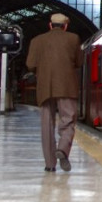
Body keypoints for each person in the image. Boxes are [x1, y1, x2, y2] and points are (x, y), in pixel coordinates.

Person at [26, 13, 83, 172]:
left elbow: (30, 64)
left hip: (44, 87)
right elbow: (79, 62)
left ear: (50, 25)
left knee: (46, 124)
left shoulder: (37, 41)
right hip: (66, 86)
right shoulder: (73, 38)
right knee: (68, 119)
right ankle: (63, 148)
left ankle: (50, 164)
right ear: (65, 26)